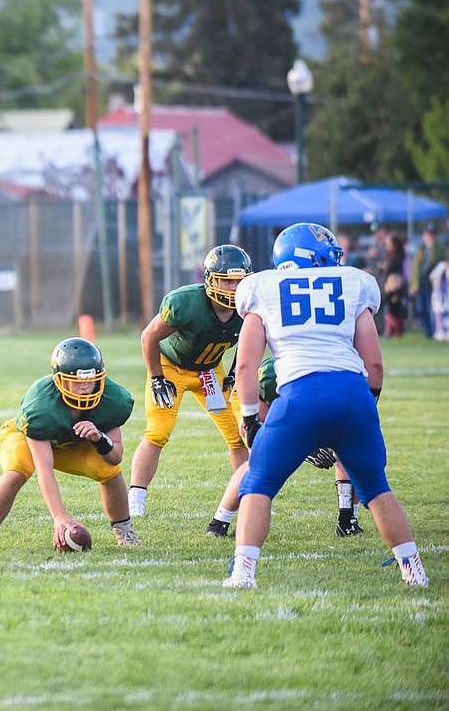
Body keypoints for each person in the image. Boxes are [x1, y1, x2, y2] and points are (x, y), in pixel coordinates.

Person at [224, 222, 427, 588]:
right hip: (351, 391)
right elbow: (375, 363)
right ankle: (413, 569)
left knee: (259, 483)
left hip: (298, 395)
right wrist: (367, 403)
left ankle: (243, 572)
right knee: (377, 488)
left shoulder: (261, 288)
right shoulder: (353, 282)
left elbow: (245, 365)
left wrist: (251, 416)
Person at [0, 338, 140, 550]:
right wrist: (59, 516)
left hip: (69, 445)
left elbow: (115, 456)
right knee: (19, 468)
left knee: (109, 469)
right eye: (77, 382)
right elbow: (44, 469)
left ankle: (124, 532)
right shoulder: (41, 406)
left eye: (90, 381)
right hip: (24, 437)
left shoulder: (111, 399)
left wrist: (99, 438)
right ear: (59, 380)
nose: (85, 388)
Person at [127, 245, 254, 518]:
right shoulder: (185, 303)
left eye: (238, 281)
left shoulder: (250, 306)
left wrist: (233, 371)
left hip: (209, 372)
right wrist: (157, 377)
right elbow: (149, 337)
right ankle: (135, 499)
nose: (233, 288)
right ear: (210, 280)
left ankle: (245, 498)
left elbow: (249, 341)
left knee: (237, 436)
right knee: (158, 431)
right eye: (226, 281)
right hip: (170, 367)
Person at [206, 356, 362, 539]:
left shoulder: (340, 387)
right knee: (260, 458)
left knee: (350, 450)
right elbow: (261, 431)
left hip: (294, 402)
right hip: (254, 395)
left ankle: (347, 521)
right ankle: (218, 523)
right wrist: (304, 448)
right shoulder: (276, 375)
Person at [410, 223, 446, 339]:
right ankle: (428, 332)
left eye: (432, 234)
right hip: (420, 284)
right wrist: (413, 284)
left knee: (432, 309)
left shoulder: (439, 248)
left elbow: (440, 263)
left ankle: (433, 332)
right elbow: (415, 268)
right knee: (421, 309)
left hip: (433, 285)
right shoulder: (420, 249)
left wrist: (432, 248)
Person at [382, 233, 406, 338]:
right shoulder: (390, 257)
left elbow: (397, 276)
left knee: (394, 310)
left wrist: (397, 292)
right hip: (389, 287)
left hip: (394, 287)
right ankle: (392, 330)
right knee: (391, 310)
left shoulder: (397, 258)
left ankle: (396, 331)